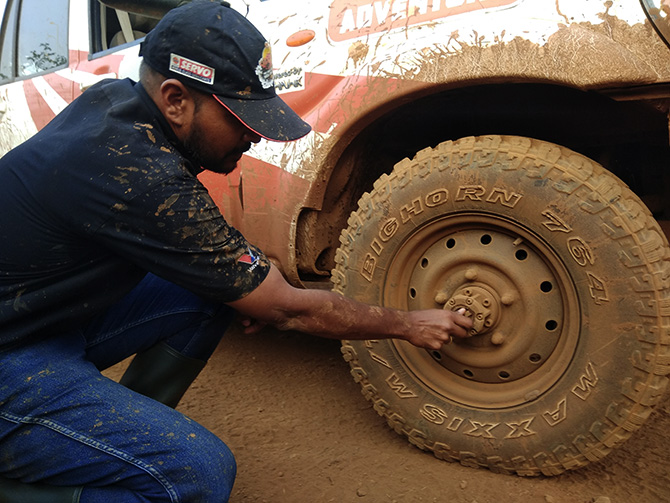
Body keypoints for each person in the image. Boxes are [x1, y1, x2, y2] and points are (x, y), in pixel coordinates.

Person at [0, 1, 473, 501]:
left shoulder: (117, 106)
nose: (252, 134)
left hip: (41, 320)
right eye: (239, 116)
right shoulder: (134, 171)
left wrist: (250, 286)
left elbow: (222, 261)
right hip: (12, 353)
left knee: (213, 294)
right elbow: (285, 308)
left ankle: (97, 447)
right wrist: (409, 324)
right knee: (195, 475)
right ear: (176, 99)